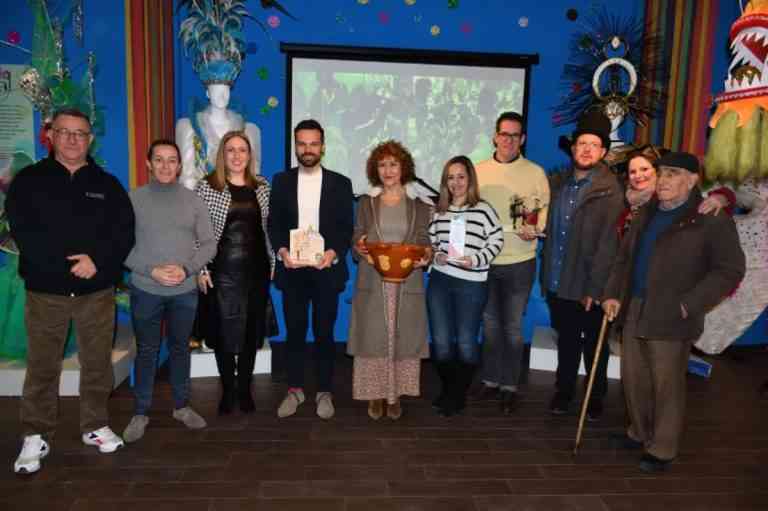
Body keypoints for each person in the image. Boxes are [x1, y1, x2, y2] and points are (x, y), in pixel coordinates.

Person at [6, 108, 135, 474]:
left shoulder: (107, 185)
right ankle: (35, 434)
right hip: (46, 292)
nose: (73, 139)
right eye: (65, 132)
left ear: (90, 139)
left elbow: (123, 232)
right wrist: (66, 266)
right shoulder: (29, 182)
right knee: (42, 366)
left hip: (96, 292)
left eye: (80, 133)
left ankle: (94, 425)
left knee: (97, 363)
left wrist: (98, 261)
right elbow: (24, 232)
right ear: (51, 135)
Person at [602, 152, 745, 473]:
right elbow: (624, 258)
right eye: (662, 173)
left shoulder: (710, 217)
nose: (664, 180)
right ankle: (638, 432)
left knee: (666, 385)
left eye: (673, 173)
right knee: (634, 378)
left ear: (692, 180)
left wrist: (689, 304)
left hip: (673, 313)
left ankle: (663, 448)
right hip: (636, 306)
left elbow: (730, 270)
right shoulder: (647, 211)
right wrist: (612, 294)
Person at [121, 140, 216, 442]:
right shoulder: (133, 200)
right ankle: (140, 412)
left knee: (179, 349)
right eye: (159, 160)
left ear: (180, 165)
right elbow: (119, 246)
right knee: (147, 351)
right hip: (146, 289)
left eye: (171, 160)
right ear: (148, 163)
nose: (165, 166)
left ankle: (181, 406)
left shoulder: (192, 201)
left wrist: (187, 269)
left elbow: (210, 243)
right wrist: (151, 271)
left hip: (184, 291)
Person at [540, 110, 624, 420]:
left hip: (589, 285)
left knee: (594, 347)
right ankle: (563, 393)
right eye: (581, 143)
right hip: (559, 280)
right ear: (572, 148)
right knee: (567, 342)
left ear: (602, 152)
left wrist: (596, 288)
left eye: (593, 144)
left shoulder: (612, 191)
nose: (586, 149)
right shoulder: (558, 185)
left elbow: (608, 246)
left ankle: (595, 396)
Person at [269, 119, 354, 420]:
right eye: (302, 143)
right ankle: (294, 390)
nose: (307, 149)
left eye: (313, 143)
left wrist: (334, 252)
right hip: (293, 270)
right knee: (294, 332)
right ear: (295, 146)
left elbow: (346, 229)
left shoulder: (341, 183)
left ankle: (324, 392)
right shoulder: (280, 181)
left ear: (323, 146)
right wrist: (281, 251)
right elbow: (274, 224)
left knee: (324, 333)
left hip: (325, 270)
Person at [472, 111, 550, 414]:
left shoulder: (535, 173)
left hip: (520, 260)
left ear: (523, 139)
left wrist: (537, 228)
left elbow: (542, 211)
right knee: (489, 325)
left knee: (513, 328)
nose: (508, 140)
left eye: (515, 135)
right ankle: (491, 380)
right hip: (485, 261)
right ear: (494, 136)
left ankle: (510, 386)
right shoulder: (477, 171)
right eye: (504, 134)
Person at [348, 140, 432, 420]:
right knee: (373, 337)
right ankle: (374, 394)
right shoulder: (365, 203)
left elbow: (423, 240)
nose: (388, 170)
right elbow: (356, 237)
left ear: (403, 167)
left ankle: (395, 395)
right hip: (374, 281)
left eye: (393, 164)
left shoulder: (420, 207)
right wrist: (357, 247)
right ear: (375, 170)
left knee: (402, 338)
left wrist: (427, 255)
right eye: (382, 165)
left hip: (406, 283)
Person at [195, 131, 274, 415]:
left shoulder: (262, 186)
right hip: (222, 271)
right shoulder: (207, 187)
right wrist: (201, 268)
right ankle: (228, 390)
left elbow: (268, 230)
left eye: (242, 150)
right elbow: (197, 233)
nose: (237, 155)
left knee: (251, 333)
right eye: (231, 150)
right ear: (223, 154)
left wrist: (274, 262)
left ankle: (245, 389)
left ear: (249, 155)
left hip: (256, 272)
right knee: (225, 334)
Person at [427, 156, 504, 416]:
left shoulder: (484, 209)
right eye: (450, 177)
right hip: (440, 280)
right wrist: (436, 254)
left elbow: (496, 241)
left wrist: (476, 259)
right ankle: (450, 390)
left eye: (461, 176)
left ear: (470, 179)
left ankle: (457, 394)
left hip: (472, 283)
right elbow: (432, 241)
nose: (456, 182)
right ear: (445, 182)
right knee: (440, 342)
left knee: (467, 343)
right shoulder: (439, 210)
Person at [176, 82, 261, 191]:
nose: (221, 95)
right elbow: (187, 175)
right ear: (208, 93)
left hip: (240, 196)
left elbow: (253, 172)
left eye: (226, 90)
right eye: (216, 90)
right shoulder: (189, 126)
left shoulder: (249, 130)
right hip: (201, 196)